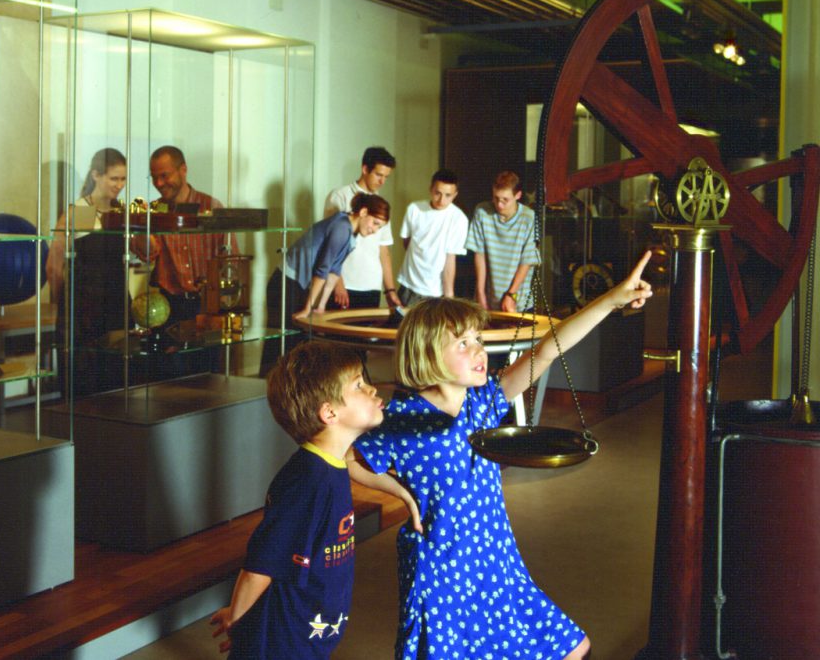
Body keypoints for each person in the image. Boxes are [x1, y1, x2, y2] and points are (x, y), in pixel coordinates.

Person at [347, 251, 654, 660]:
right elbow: (349, 457)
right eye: (463, 343)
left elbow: (548, 350)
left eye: (478, 339)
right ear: (426, 352)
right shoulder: (403, 419)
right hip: (442, 565)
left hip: (495, 556)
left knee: (572, 648)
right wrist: (403, 496)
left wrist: (611, 300)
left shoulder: (484, 401)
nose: (479, 351)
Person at [210, 340, 385, 658]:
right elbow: (259, 566)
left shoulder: (332, 465)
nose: (372, 390)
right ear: (329, 412)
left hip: (310, 628)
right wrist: (239, 619)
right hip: (284, 639)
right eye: (359, 385)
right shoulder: (307, 482)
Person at [260, 193, 389, 377]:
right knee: (280, 345)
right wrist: (308, 307)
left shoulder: (351, 234)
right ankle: (267, 390)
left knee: (295, 343)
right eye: (375, 223)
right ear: (363, 212)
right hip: (286, 282)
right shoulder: (341, 226)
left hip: (298, 285)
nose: (375, 230)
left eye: (380, 227)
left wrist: (320, 306)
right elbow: (323, 268)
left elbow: (334, 270)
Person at [142, 145, 234, 324]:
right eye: (154, 177)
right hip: (168, 307)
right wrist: (140, 225)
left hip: (207, 304)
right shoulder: (154, 211)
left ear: (183, 170)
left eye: (164, 176)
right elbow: (148, 253)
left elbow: (229, 259)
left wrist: (223, 304)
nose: (159, 184)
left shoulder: (211, 207)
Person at [323, 146, 401, 310]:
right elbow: (330, 245)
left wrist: (390, 290)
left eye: (386, 177)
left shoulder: (381, 205)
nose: (382, 181)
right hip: (345, 285)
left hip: (371, 286)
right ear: (365, 169)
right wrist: (338, 284)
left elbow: (384, 250)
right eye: (378, 175)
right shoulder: (340, 195)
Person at [46, 147, 127, 304]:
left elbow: (146, 252)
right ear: (95, 175)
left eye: (123, 179)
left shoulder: (121, 212)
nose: (119, 185)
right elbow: (53, 267)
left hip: (117, 304)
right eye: (114, 179)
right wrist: (64, 305)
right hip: (84, 308)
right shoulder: (82, 210)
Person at [467, 170, 541, 313]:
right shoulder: (482, 212)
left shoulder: (529, 217)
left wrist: (511, 294)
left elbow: (527, 261)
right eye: (496, 198)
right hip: (488, 300)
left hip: (518, 301)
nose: (499, 204)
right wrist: (480, 293)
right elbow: (479, 254)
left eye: (505, 200)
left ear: (518, 195)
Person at [396, 168, 468, 306]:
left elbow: (450, 259)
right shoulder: (414, 209)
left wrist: (449, 297)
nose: (442, 200)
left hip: (435, 291)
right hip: (408, 285)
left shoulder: (459, 219)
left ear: (455, 195)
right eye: (438, 193)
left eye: (448, 195)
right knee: (402, 327)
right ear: (430, 189)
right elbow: (406, 242)